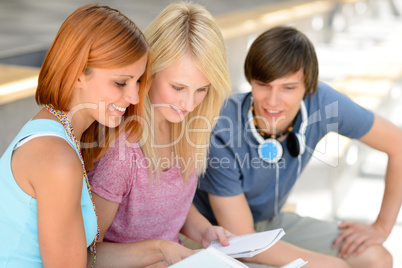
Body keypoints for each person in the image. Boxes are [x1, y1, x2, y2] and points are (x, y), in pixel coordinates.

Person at [193, 25, 402, 268]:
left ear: (309, 87)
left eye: (288, 88)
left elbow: (397, 143)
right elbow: (244, 241)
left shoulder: (323, 102)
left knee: (377, 258)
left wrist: (382, 227)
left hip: (269, 224)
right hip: (218, 237)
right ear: (250, 80)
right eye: (263, 85)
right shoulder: (222, 129)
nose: (272, 101)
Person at [0, 4, 150, 267]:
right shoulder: (57, 157)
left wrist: (162, 251)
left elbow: (83, 257)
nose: (134, 96)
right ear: (78, 73)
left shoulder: (56, 130)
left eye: (138, 81)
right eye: (120, 82)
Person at [87, 2, 233, 267]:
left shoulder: (184, 129)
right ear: (149, 72)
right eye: (178, 87)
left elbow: (169, 204)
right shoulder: (121, 154)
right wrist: (159, 250)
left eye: (201, 89)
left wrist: (205, 231)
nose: (189, 104)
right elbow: (85, 254)